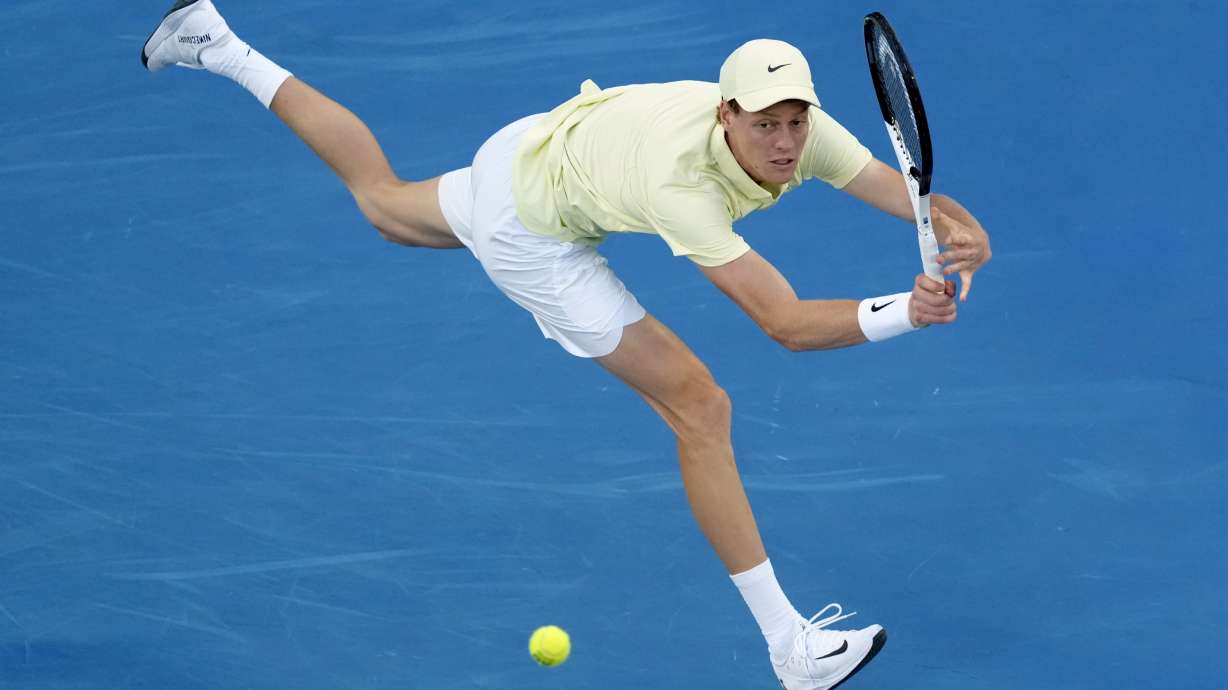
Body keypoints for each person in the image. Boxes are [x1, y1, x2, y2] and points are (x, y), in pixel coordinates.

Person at [141, 2, 992, 688]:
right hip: (534, 226)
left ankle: (219, 44)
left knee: (385, 204)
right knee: (700, 406)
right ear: (726, 113)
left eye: (796, 124)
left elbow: (900, 187)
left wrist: (963, 229)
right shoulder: (681, 185)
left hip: (534, 147)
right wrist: (904, 313)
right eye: (765, 124)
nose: (784, 143)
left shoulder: (805, 133)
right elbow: (785, 324)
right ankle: (790, 649)